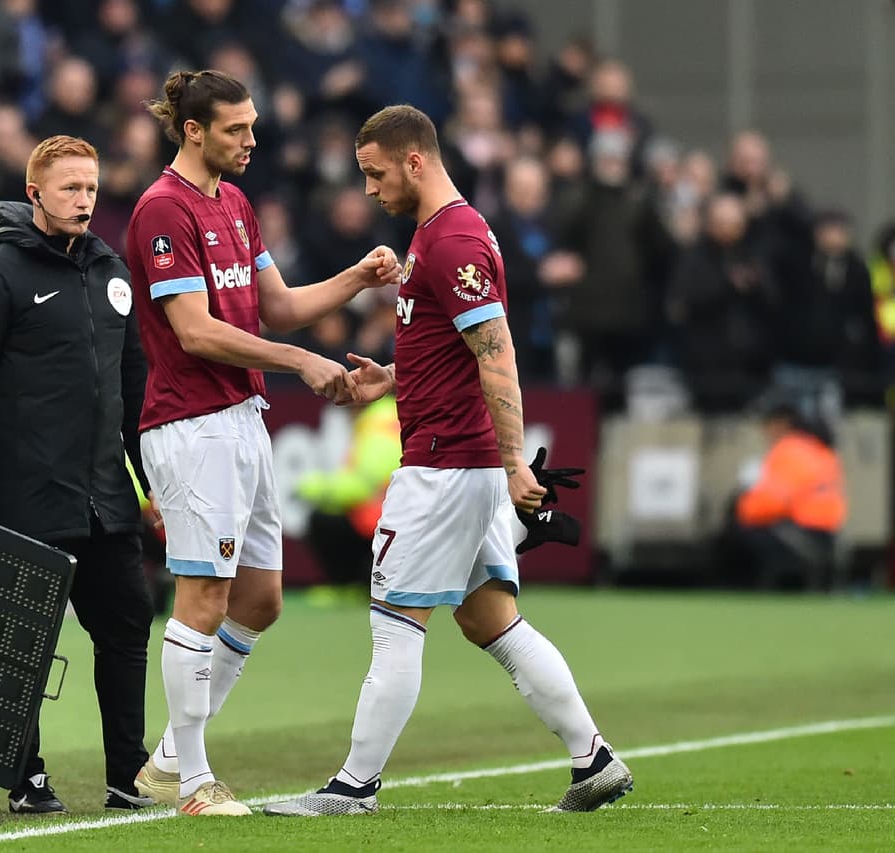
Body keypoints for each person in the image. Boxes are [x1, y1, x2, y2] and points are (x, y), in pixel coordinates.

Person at [264, 105, 633, 818]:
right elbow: (457, 351)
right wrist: (394, 379)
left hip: (443, 467)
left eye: (374, 174)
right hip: (460, 462)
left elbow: (497, 352)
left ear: (413, 161)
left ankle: (353, 787)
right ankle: (594, 757)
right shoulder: (439, 236)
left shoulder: (454, 239)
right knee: (492, 619)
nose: (368, 190)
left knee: (395, 619)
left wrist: (514, 461)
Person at [125, 69, 400, 817]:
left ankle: (171, 759)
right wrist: (304, 362)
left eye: (252, 125)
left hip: (240, 417)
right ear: (193, 130)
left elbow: (275, 306)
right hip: (191, 424)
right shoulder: (162, 210)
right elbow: (194, 329)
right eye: (237, 128)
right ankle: (193, 782)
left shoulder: (236, 204)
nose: (252, 139)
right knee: (204, 596)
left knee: (261, 597)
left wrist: (357, 278)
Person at [0, 135, 156, 816]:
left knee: (127, 624)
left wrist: (153, 486)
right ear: (34, 194)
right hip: (23, 494)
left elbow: (134, 388)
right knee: (17, 640)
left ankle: (128, 775)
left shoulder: (111, 272)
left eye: (90, 188)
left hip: (104, 496)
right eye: (69, 188)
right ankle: (25, 775)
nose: (83, 199)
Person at [722, 403, 845, 590]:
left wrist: (742, 509)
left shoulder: (790, 449)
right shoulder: (819, 449)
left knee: (734, 533)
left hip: (802, 533)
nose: (765, 433)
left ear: (781, 424)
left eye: (767, 426)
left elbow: (775, 501)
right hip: (827, 533)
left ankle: (742, 590)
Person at [295, 394, 401, 600]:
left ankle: (348, 584)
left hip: (384, 521)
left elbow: (365, 484)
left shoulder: (378, 424)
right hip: (400, 517)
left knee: (323, 519)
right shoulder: (387, 416)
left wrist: (315, 487)